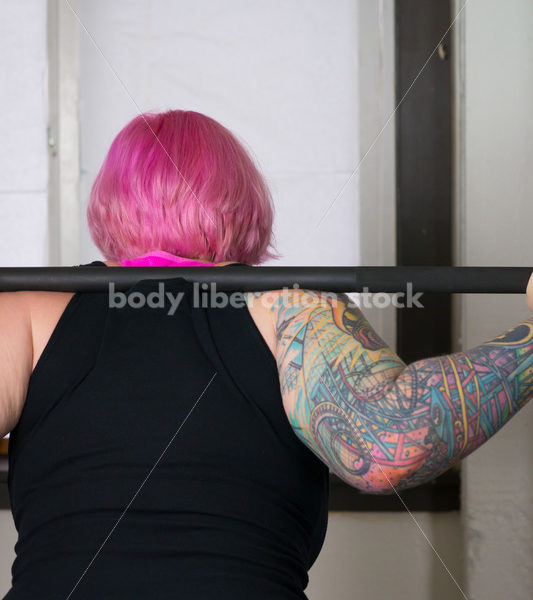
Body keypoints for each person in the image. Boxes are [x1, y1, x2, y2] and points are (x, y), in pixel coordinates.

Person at [1, 109, 532, 599]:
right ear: (241, 199)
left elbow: (388, 446)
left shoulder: (28, 312)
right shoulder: (294, 312)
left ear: (109, 201)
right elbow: (391, 438)